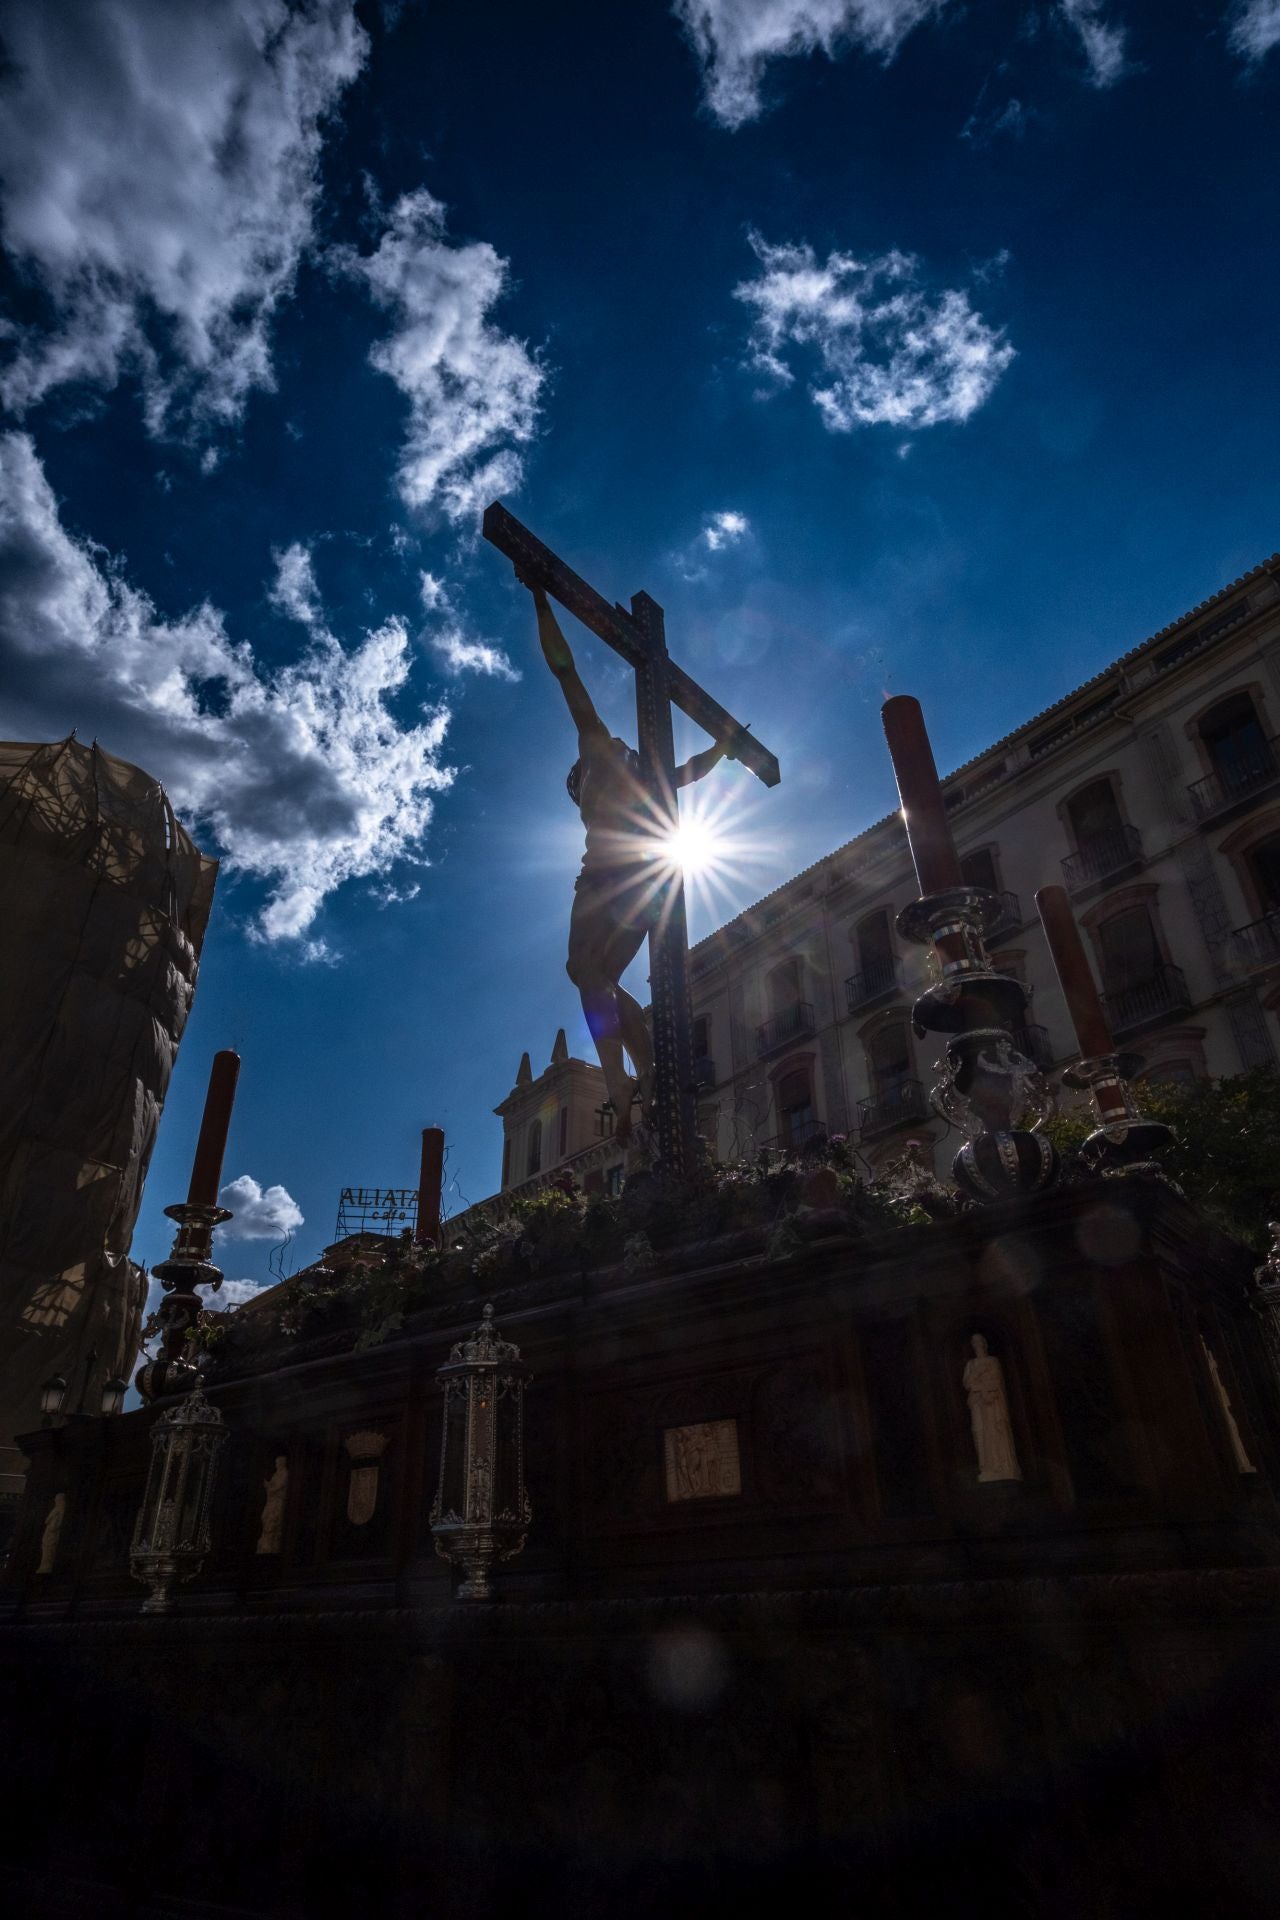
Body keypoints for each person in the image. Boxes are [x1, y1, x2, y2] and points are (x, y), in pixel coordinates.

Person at [523, 579, 737, 1140]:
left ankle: (620, 1077)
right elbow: (689, 772)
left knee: (583, 969)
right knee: (604, 981)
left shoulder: (594, 746)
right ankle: (643, 1071)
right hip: (651, 881)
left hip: (605, 880)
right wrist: (725, 746)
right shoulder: (646, 768)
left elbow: (564, 670)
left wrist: (542, 599)